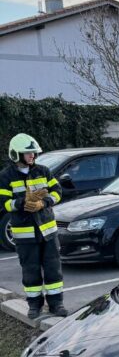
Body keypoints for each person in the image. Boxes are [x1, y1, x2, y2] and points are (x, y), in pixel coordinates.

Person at [0, 133, 67, 319]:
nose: (33, 156)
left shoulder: (43, 171)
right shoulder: (6, 176)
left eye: (34, 153)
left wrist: (43, 203)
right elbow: (3, 202)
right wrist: (22, 203)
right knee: (31, 271)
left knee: (53, 267)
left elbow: (58, 191)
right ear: (16, 154)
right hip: (25, 234)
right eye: (28, 153)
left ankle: (56, 304)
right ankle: (34, 306)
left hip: (48, 232)